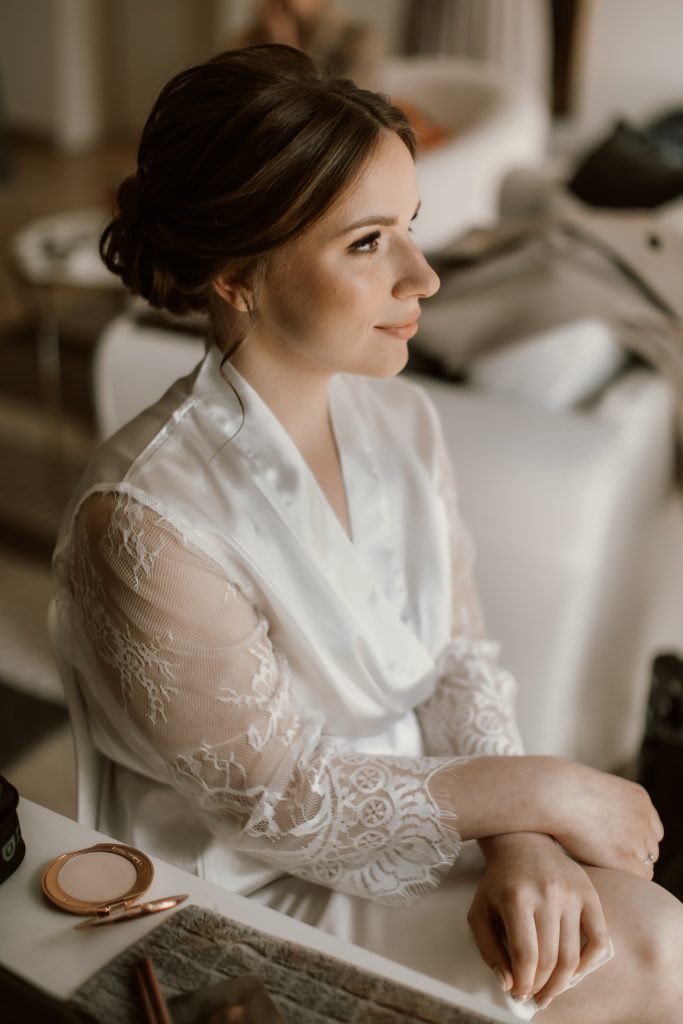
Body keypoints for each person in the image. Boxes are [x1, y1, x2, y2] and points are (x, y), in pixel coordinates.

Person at [53, 44, 683, 1021]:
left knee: (614, 927)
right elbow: (279, 802)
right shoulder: (141, 519)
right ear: (238, 277)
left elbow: (458, 661)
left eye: (410, 229)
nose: (421, 275)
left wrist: (520, 841)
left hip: (430, 815)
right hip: (245, 892)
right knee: (642, 944)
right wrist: (543, 792)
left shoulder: (403, 421)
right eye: (366, 243)